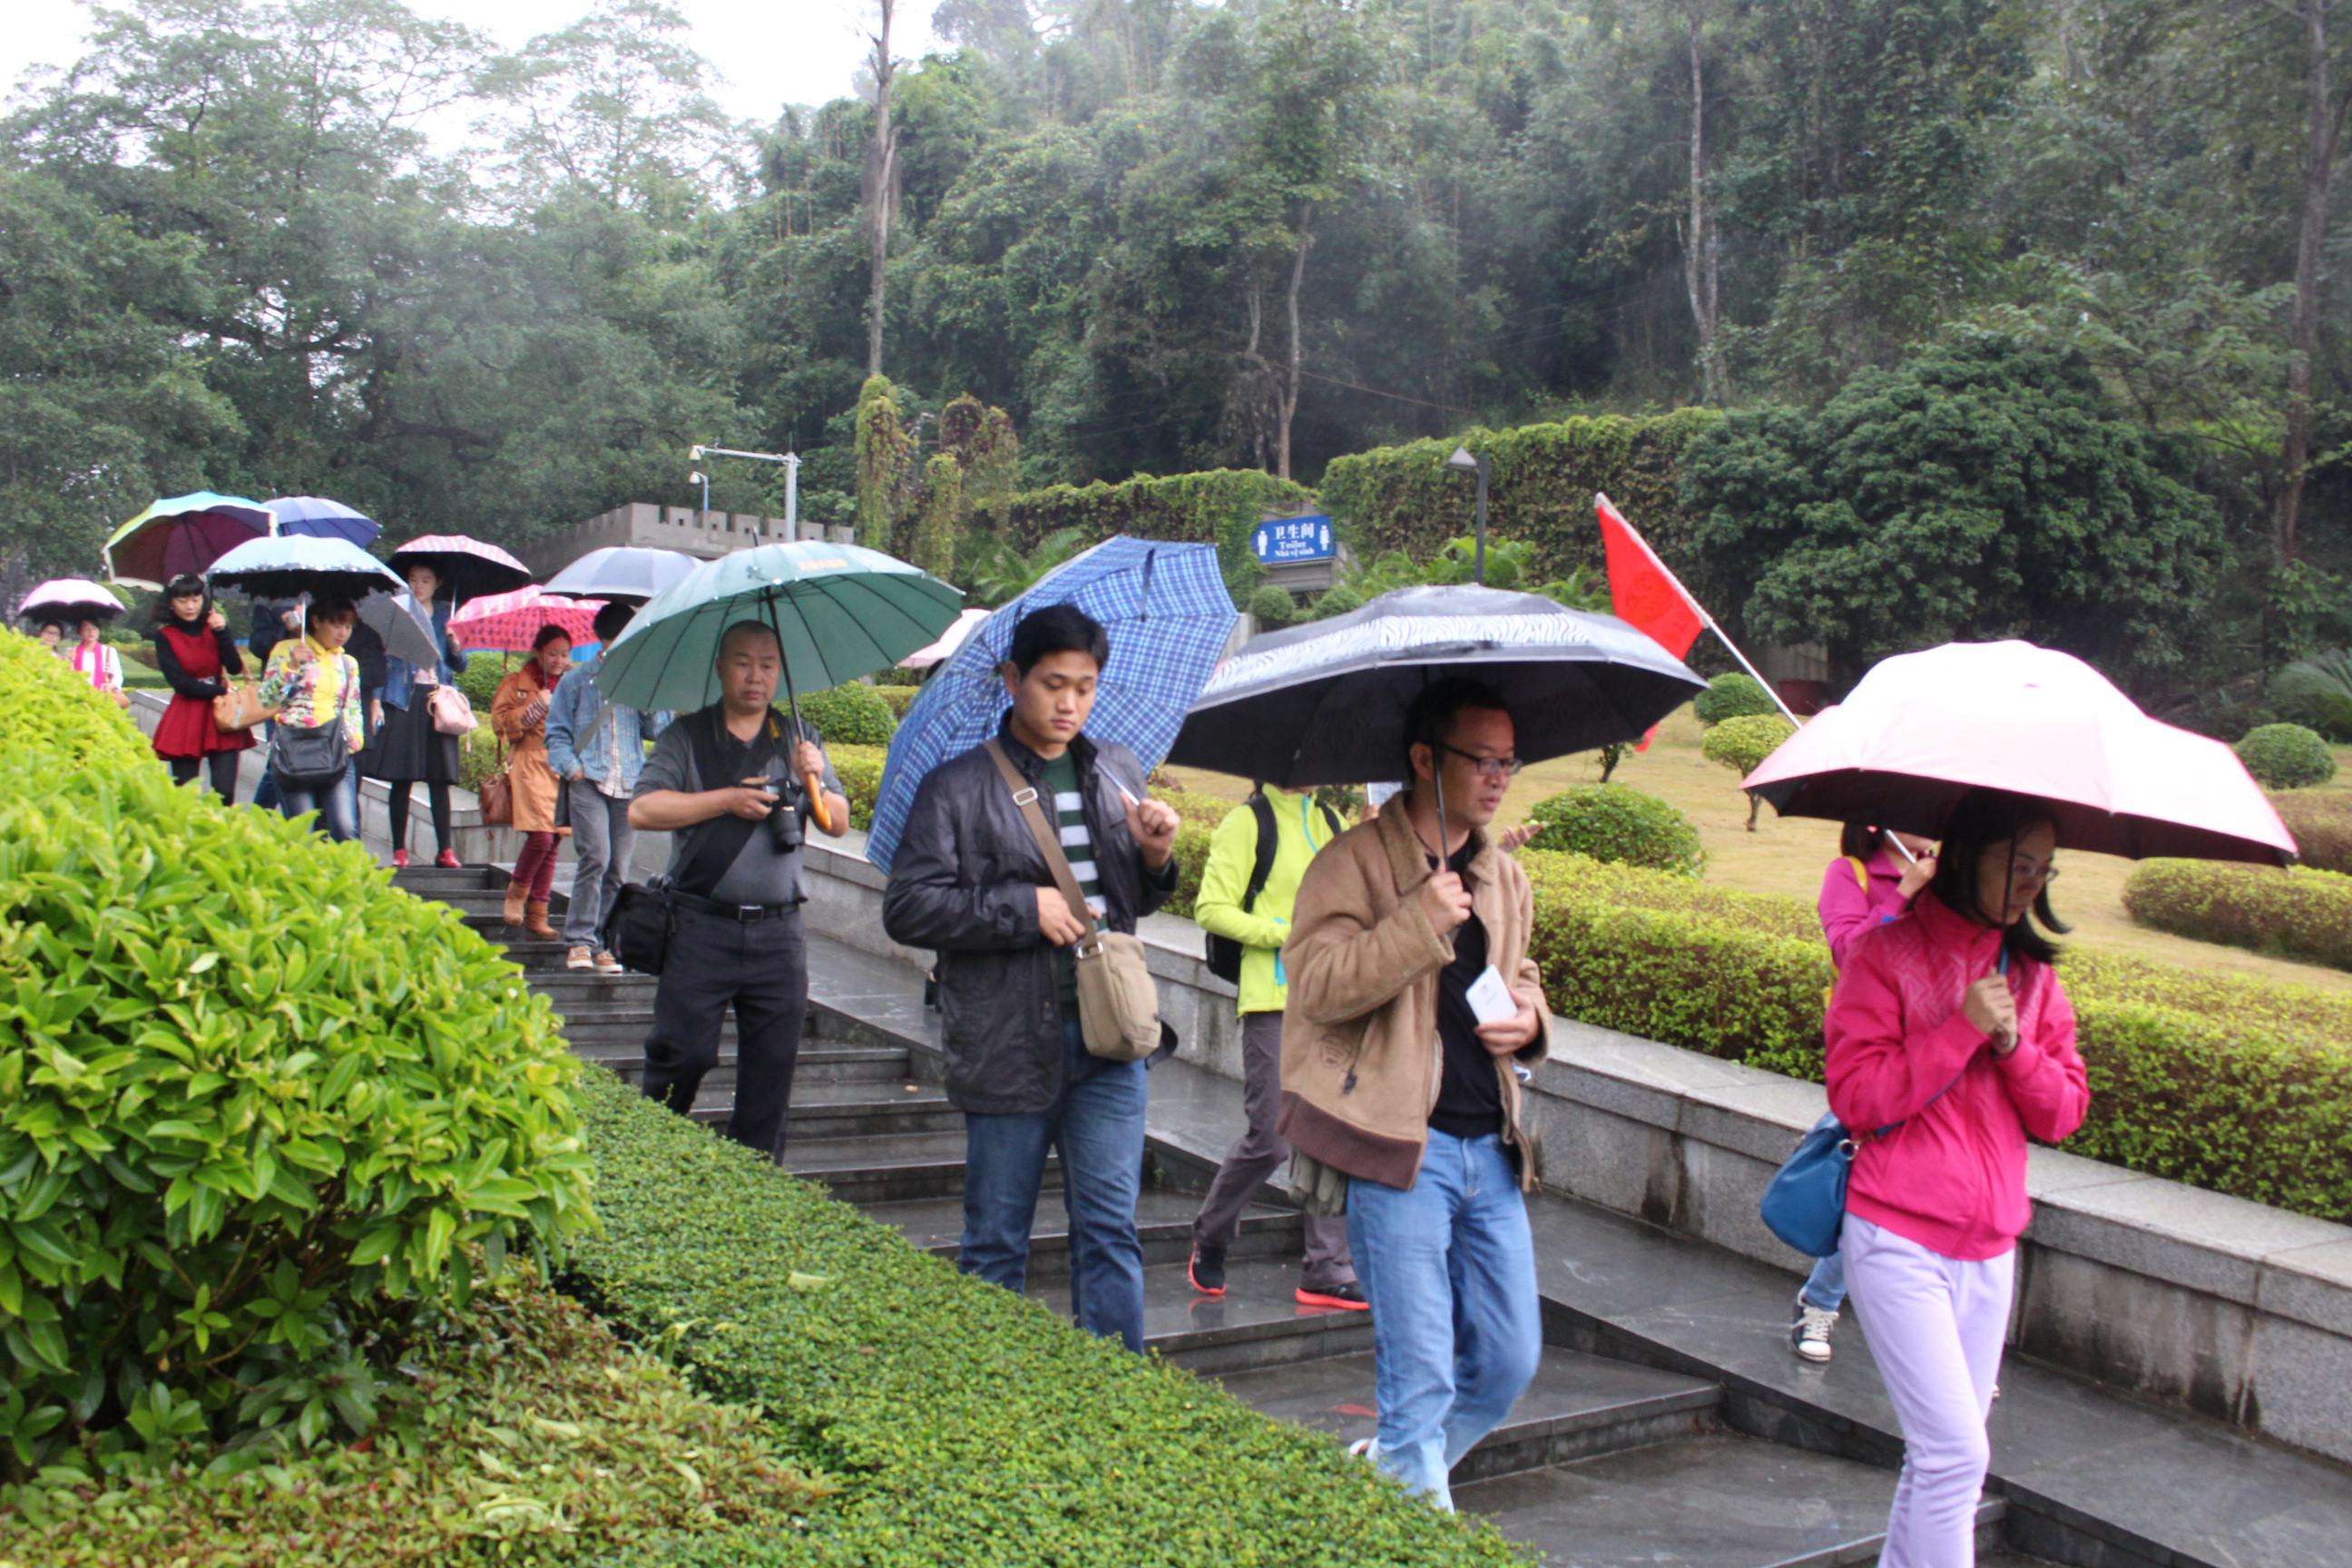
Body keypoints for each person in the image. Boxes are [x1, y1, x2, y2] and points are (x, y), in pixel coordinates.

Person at [1278, 676, 1552, 1511]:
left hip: (1491, 1151)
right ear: (1426, 759)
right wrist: (1414, 925)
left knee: (1507, 1361)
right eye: (1481, 759)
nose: (1500, 776)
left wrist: (1531, 1021)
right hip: (1402, 1149)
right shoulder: (1353, 862)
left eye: (1509, 760)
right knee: (1421, 1370)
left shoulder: (1502, 875)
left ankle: (1395, 1471)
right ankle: (1412, 1493)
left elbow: (1522, 976)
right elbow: (1316, 983)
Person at [881, 604, 1181, 1353]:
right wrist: (1023, 907)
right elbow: (908, 907)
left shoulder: (1114, 769)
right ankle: (993, 1398)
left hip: (1110, 1042)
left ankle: (1116, 1398)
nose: (1070, 703)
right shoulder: (955, 786)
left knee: (1110, 1230)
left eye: (1085, 685)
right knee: (995, 1241)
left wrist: (1153, 854)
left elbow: (1132, 905)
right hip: (1005, 1042)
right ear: (1014, 679)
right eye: (1053, 684)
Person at [1826, 789, 2089, 1568]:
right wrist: (1960, 1029)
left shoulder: (2035, 980)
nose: (2031, 885)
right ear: (1970, 852)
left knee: (1942, 1464)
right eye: (2018, 864)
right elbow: (1859, 1099)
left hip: (1990, 1247)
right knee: (1954, 1457)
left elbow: (2063, 1112)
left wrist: (2013, 1047)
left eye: (2044, 869)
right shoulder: (1886, 955)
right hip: (1896, 1235)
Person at [629, 621, 849, 1161]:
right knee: (681, 1055)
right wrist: (725, 800)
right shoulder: (688, 737)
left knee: (772, 1070)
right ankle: (654, 1158)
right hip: (701, 927)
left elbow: (838, 822)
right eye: (744, 662)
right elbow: (642, 809)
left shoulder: (800, 738)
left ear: (781, 671)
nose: (756, 675)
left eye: (768, 663)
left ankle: (756, 1180)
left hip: (778, 934)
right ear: (721, 667)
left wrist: (816, 776)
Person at [1188, 783, 1364, 1310]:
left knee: (1330, 1134)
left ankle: (1326, 1267)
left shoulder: (1331, 823)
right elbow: (1211, 908)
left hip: (1329, 1001)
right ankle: (1212, 1233)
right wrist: (1281, 933)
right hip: (1271, 1000)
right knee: (1270, 1136)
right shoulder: (1248, 823)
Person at [1794, 821, 1939, 1365]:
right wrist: (1905, 894)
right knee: (1866, 1185)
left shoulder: (1951, 878)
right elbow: (1849, 954)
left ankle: (1957, 1335)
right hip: (1872, 1052)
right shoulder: (1850, 873)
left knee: (1922, 1187)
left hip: (1939, 1048)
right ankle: (1821, 1303)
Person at [545, 600, 663, 973]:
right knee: (594, 856)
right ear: (602, 640)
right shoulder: (577, 679)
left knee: (618, 868)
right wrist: (572, 768)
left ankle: (603, 943)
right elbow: (557, 732)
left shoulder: (640, 677)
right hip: (589, 780)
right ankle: (579, 940)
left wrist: (652, 694)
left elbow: (657, 730)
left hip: (628, 783)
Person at [367, 564, 467, 868]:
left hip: (437, 699)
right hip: (404, 698)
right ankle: (399, 849)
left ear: (438, 582)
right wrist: (376, 700)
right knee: (402, 777)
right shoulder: (398, 612)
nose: (419, 585)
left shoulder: (447, 615)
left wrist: (455, 644)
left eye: (426, 580)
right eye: (413, 580)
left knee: (440, 779)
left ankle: (445, 849)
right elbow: (383, 661)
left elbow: (461, 665)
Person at [256, 597, 365, 842]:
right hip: (295, 751)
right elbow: (267, 699)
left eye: (348, 627)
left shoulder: (347, 663)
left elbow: (352, 705)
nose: (342, 633)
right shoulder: (286, 650)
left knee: (346, 828)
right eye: (336, 625)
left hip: (335, 749)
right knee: (303, 834)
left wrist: (354, 739)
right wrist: (292, 666)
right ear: (315, 621)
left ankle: (348, 880)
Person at [493, 625, 572, 941]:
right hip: (528, 764)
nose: (559, 660)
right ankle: (516, 892)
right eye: (553, 653)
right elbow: (500, 721)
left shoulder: (572, 683)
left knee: (553, 842)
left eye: (564, 654)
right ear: (538, 652)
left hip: (559, 767)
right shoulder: (516, 683)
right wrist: (537, 705)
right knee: (540, 838)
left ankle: (538, 913)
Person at [149, 573, 254, 802]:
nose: (190, 606)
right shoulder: (165, 635)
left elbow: (235, 667)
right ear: (171, 603)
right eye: (183, 601)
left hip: (220, 712)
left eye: (196, 599)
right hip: (187, 712)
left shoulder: (213, 627)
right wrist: (218, 691)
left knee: (224, 794)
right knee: (186, 794)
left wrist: (222, 632)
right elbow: (179, 682)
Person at [249, 601, 304, 813]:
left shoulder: (321, 601)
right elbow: (258, 645)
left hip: (313, 696)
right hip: (279, 695)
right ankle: (257, 818)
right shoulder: (269, 605)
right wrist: (285, 628)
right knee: (277, 766)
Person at [67, 619, 128, 706]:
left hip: (103, 698)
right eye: (86, 628)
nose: (91, 632)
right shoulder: (72, 651)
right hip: (79, 699)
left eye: (94, 628)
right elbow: (68, 676)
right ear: (80, 631)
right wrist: (70, 660)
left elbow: (118, 674)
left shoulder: (108, 651)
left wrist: (111, 685)